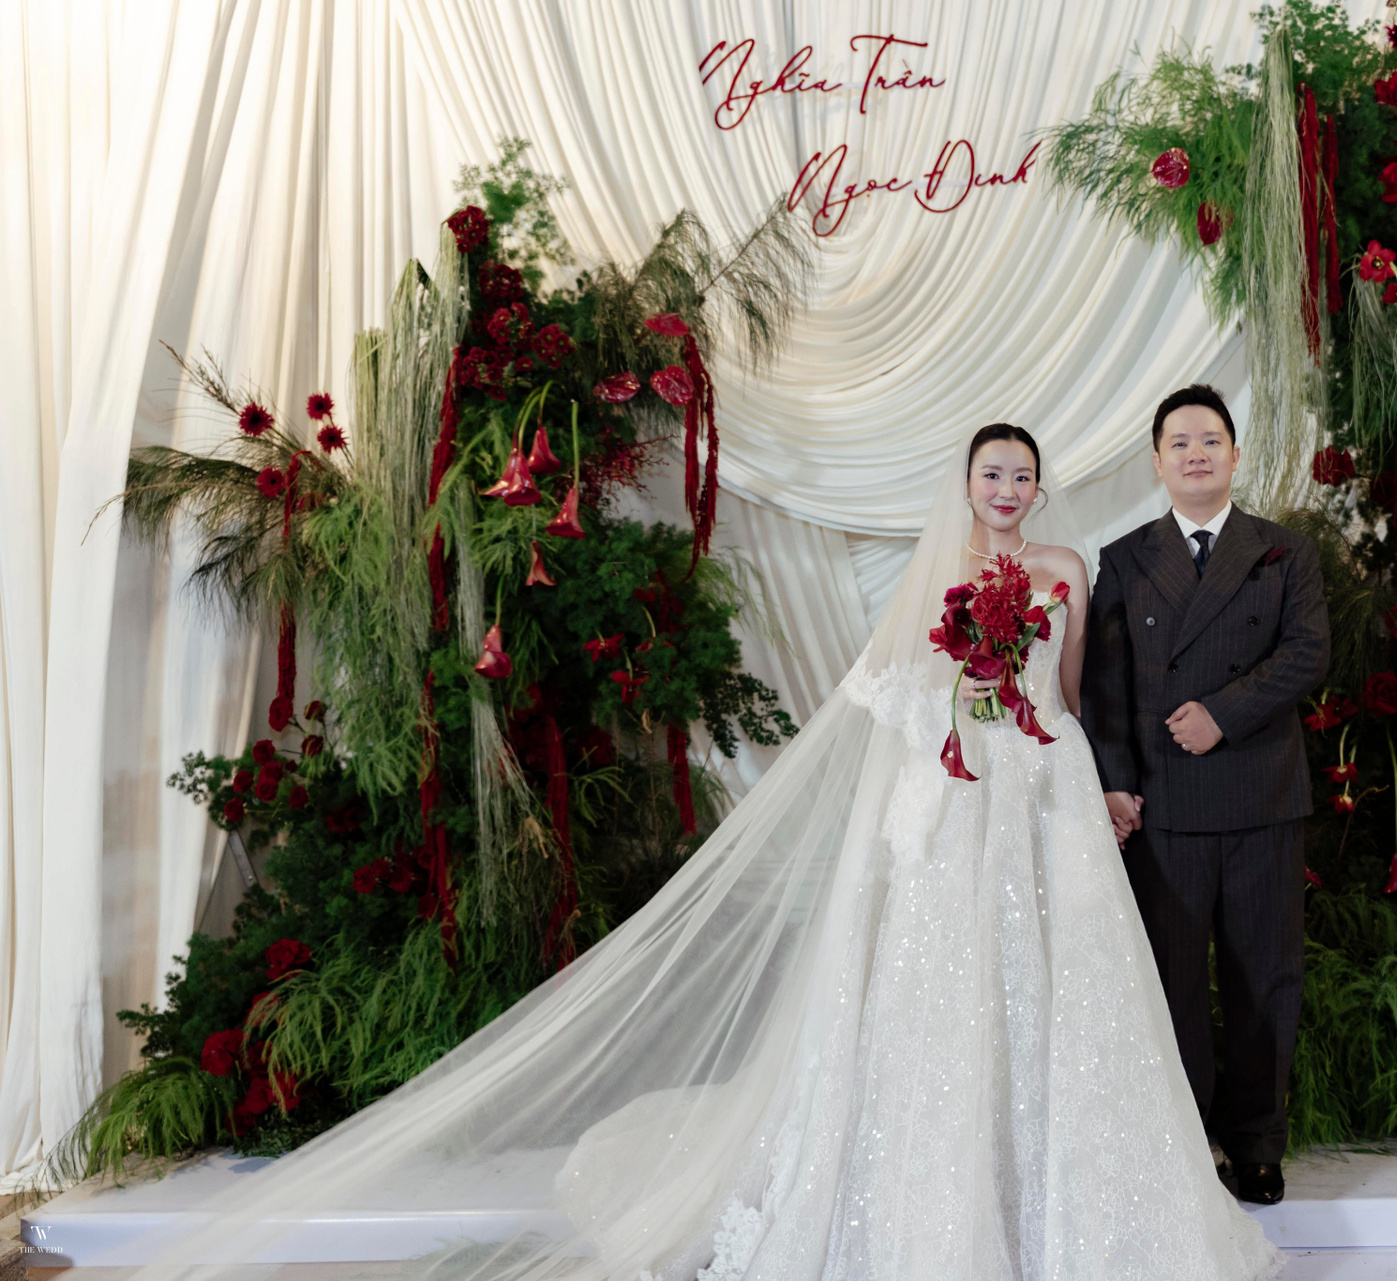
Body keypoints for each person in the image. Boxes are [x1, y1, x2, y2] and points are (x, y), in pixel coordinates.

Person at [117, 426, 1281, 1281]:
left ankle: (1066, 1193)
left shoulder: (1068, 570)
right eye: (993, 473)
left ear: (1040, 485)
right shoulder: (938, 573)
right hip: (958, 783)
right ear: (967, 483)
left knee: (1068, 986)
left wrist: (1067, 751)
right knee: (948, 986)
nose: (1009, 488)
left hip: (1044, 780)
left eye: (1022, 474)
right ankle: (948, 1198)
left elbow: (1072, 685)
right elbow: (894, 689)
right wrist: (962, 704)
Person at [1082, 385, 1330, 1205]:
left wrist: (1223, 712)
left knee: (1264, 979)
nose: (1196, 453)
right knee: (1173, 986)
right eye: (1180, 443)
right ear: (1156, 461)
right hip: (1163, 805)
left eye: (1211, 440)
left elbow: (1307, 653)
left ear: (1234, 454)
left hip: (1262, 795)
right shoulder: (1125, 558)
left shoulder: (1285, 551)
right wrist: (1115, 781)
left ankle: (1257, 1145)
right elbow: (1106, 684)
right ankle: (1183, 1148)